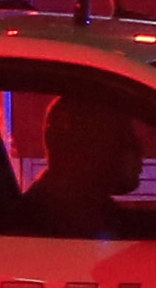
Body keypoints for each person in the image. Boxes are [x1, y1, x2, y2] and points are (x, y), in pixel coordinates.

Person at [22, 92, 145, 239]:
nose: (138, 150)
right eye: (124, 138)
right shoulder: (37, 226)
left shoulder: (96, 212)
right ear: (89, 148)